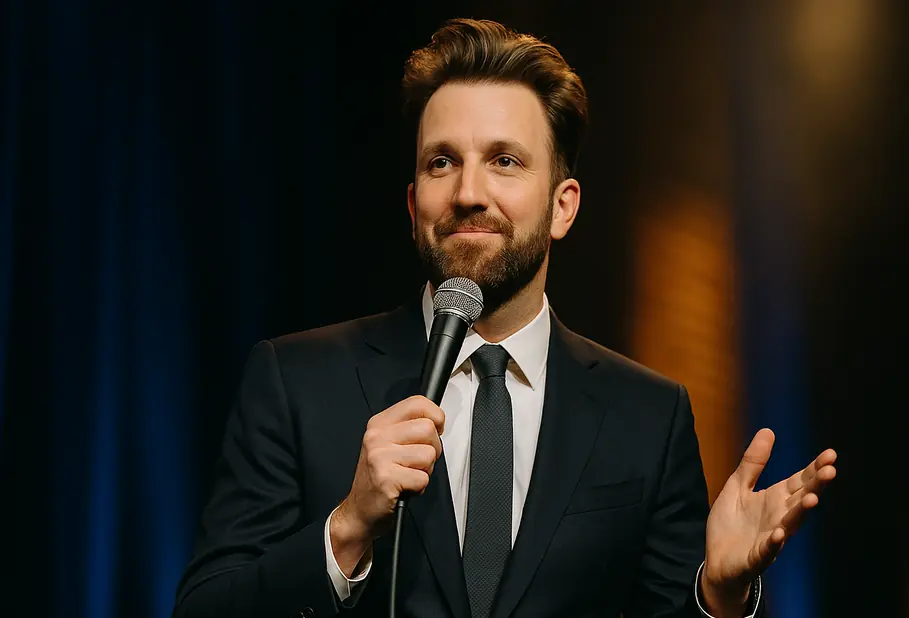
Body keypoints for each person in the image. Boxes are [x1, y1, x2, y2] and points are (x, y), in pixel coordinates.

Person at [172, 17, 837, 618]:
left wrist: (717, 597)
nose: (468, 192)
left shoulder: (648, 415)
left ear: (562, 206)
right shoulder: (296, 380)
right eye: (442, 162)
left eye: (504, 161)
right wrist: (345, 530)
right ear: (413, 206)